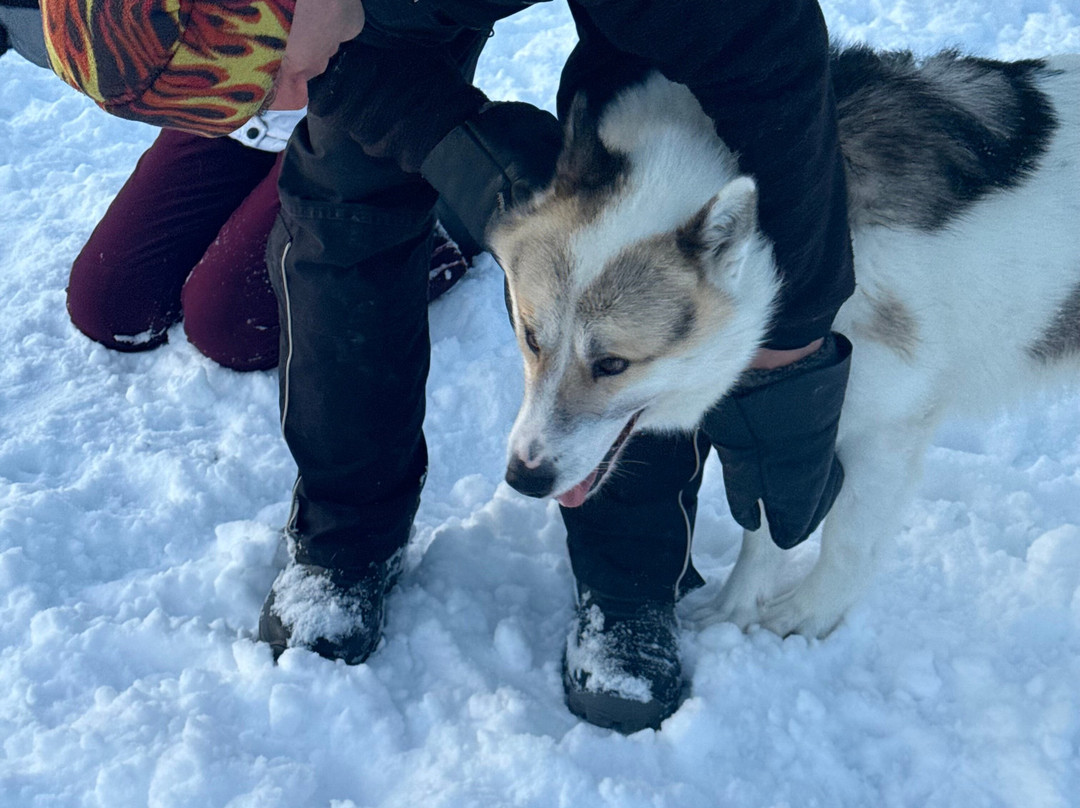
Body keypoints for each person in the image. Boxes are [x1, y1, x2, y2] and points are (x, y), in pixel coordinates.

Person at [41, 0, 855, 733]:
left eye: (271, 74)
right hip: (352, 18)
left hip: (637, 20)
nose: (284, 101)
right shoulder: (290, 41)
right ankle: (346, 532)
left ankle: (630, 577)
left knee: (626, 150)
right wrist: (464, 162)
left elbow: (767, 51)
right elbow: (316, 75)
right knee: (148, 293)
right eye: (251, 90)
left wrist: (794, 341)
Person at [3, 0, 470, 372]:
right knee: (110, 303)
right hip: (231, 73)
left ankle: (438, 225)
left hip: (361, 87)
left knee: (229, 325)